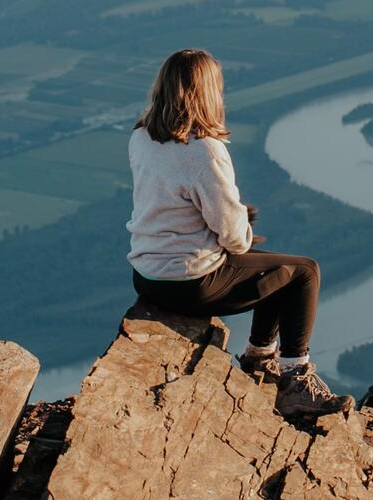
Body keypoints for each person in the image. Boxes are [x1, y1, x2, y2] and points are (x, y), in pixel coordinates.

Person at [126, 47, 352, 419]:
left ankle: (261, 357)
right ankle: (295, 379)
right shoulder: (204, 151)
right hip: (192, 282)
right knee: (303, 272)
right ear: (208, 92)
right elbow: (234, 236)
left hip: (148, 276)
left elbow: (172, 201)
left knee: (270, 269)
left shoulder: (142, 138)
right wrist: (241, 227)